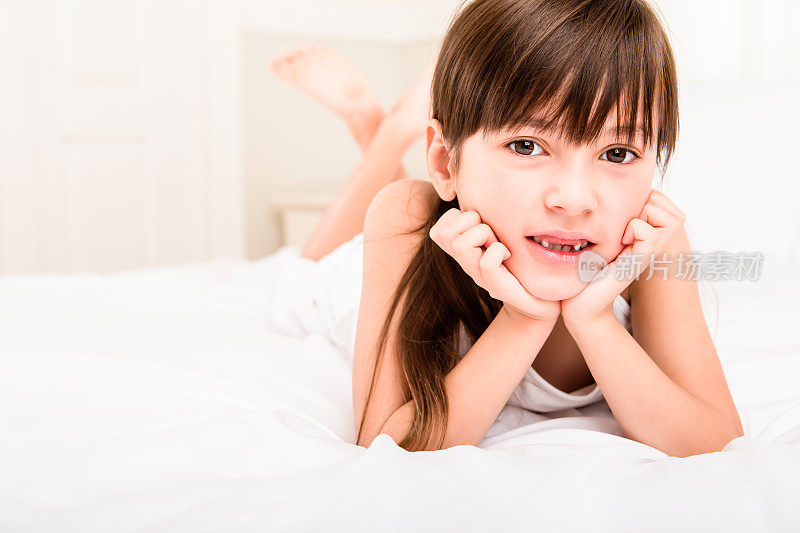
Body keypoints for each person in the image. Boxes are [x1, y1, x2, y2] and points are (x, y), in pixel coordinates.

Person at [274, 0, 742, 456]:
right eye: (526, 146)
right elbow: (383, 445)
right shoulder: (405, 219)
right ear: (444, 161)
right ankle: (386, 131)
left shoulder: (649, 242)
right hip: (377, 265)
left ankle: (395, 131)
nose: (574, 199)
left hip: (463, 213)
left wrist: (594, 320)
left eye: (617, 153)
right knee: (304, 273)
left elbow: (718, 443)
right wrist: (524, 320)